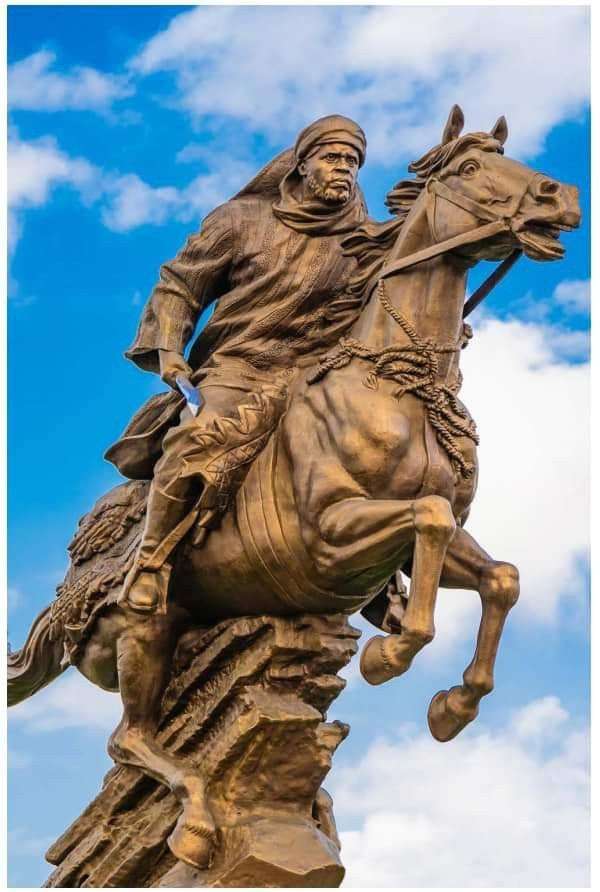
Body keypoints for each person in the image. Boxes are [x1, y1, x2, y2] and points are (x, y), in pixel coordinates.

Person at [107, 115, 370, 614]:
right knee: (196, 438)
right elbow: (181, 285)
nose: (345, 168)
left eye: (353, 161)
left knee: (380, 450)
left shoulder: (365, 241)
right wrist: (169, 351)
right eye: (333, 158)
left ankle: (381, 579)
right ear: (302, 164)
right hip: (241, 369)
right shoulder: (241, 220)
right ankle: (151, 562)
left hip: (316, 378)